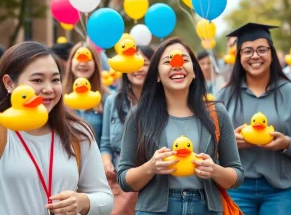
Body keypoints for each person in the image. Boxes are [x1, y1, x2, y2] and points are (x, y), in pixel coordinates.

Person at [117, 38, 244, 215]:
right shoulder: (138, 115)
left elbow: (237, 176)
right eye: (168, 61)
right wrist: (150, 167)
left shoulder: (217, 113)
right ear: (157, 75)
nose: (177, 65)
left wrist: (214, 170)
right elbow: (124, 180)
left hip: (206, 209)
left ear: (194, 72)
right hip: (155, 210)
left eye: (184, 60)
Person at [0, 41, 113, 215]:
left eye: (55, 80)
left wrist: (82, 202)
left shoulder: (78, 132)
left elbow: (106, 199)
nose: (48, 89)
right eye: (37, 80)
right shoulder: (3, 133)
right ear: (9, 83)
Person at [217, 23, 291, 215]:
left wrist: (287, 144)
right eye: (247, 51)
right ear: (239, 56)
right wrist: (228, 144)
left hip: (281, 190)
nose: (255, 56)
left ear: (272, 53)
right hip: (236, 188)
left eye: (262, 49)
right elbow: (209, 147)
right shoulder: (224, 96)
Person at [101, 45, 154, 215]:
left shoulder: (164, 102)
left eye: (144, 63)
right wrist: (106, 161)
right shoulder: (112, 101)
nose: (138, 68)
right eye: (132, 63)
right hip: (122, 183)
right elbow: (106, 144)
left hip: (155, 184)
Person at [63, 42, 109, 147]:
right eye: (78, 58)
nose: (83, 63)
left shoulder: (107, 98)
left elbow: (107, 143)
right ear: (71, 62)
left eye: (88, 59)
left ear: (95, 63)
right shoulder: (59, 97)